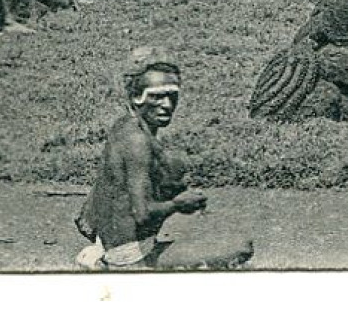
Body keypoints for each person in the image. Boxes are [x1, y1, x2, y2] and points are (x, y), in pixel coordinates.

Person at [74, 49, 252, 271]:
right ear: (136, 97)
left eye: (172, 96)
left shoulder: (124, 126)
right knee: (241, 246)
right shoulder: (137, 142)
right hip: (130, 255)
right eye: (157, 96)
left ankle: (101, 253)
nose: (167, 105)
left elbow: (91, 210)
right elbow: (143, 214)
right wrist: (178, 204)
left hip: (117, 243)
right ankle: (122, 266)